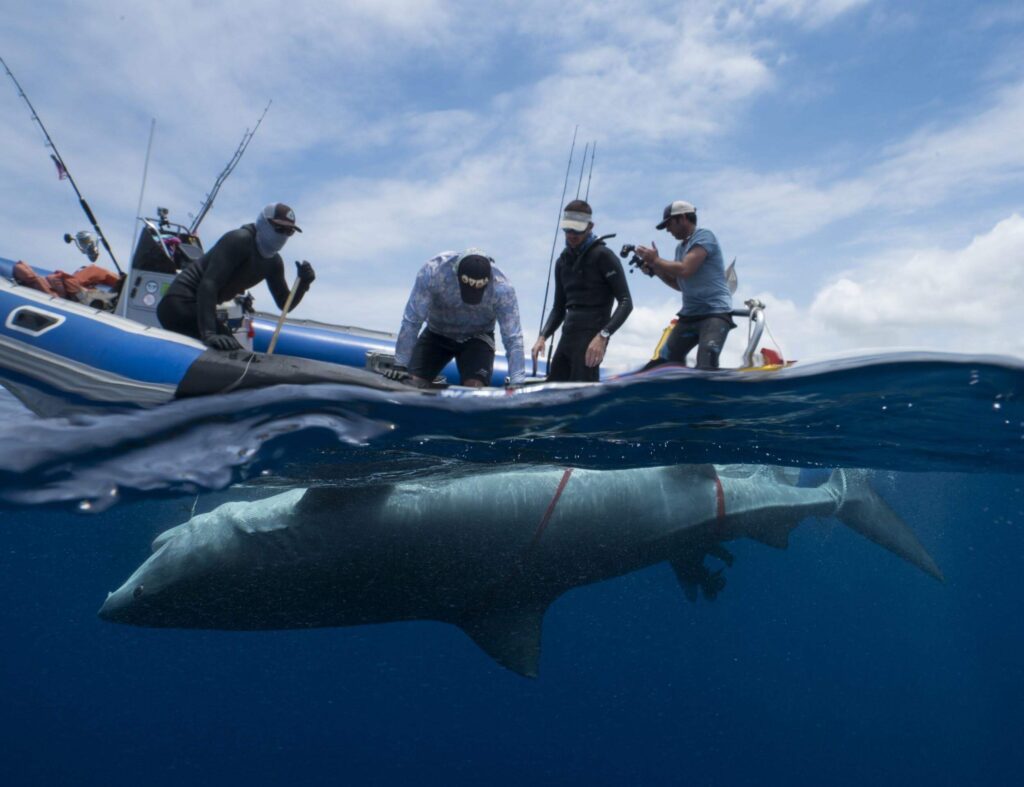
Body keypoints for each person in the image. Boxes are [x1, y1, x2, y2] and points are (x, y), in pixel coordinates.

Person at [157, 203, 316, 350]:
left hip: (198, 310)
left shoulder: (274, 262)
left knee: (237, 352)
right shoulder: (240, 239)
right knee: (232, 352)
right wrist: (210, 333)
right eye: (279, 229)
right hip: (178, 303)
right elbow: (209, 283)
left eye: (289, 232)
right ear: (263, 223)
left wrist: (303, 284)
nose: (283, 235)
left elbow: (284, 304)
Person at [392, 249, 526, 387]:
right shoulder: (433, 271)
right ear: (456, 273)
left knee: (474, 387)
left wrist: (517, 382)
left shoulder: (502, 288)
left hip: (478, 337)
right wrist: (400, 365)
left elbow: (513, 338)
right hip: (437, 333)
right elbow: (412, 321)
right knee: (411, 383)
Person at [531, 200, 633, 382]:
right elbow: (558, 307)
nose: (572, 235)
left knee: (580, 392)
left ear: (590, 226)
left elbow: (626, 302)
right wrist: (542, 336)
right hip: (568, 332)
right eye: (568, 229)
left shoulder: (603, 256)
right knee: (554, 388)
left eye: (577, 230)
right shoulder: (562, 262)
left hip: (593, 333)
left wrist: (603, 336)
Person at [635, 200, 733, 369]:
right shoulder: (680, 249)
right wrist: (655, 268)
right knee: (662, 364)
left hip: (715, 313)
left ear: (682, 218)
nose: (667, 230)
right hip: (689, 316)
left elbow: (685, 269)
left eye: (668, 224)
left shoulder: (704, 236)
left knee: (706, 363)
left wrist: (656, 260)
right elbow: (679, 284)